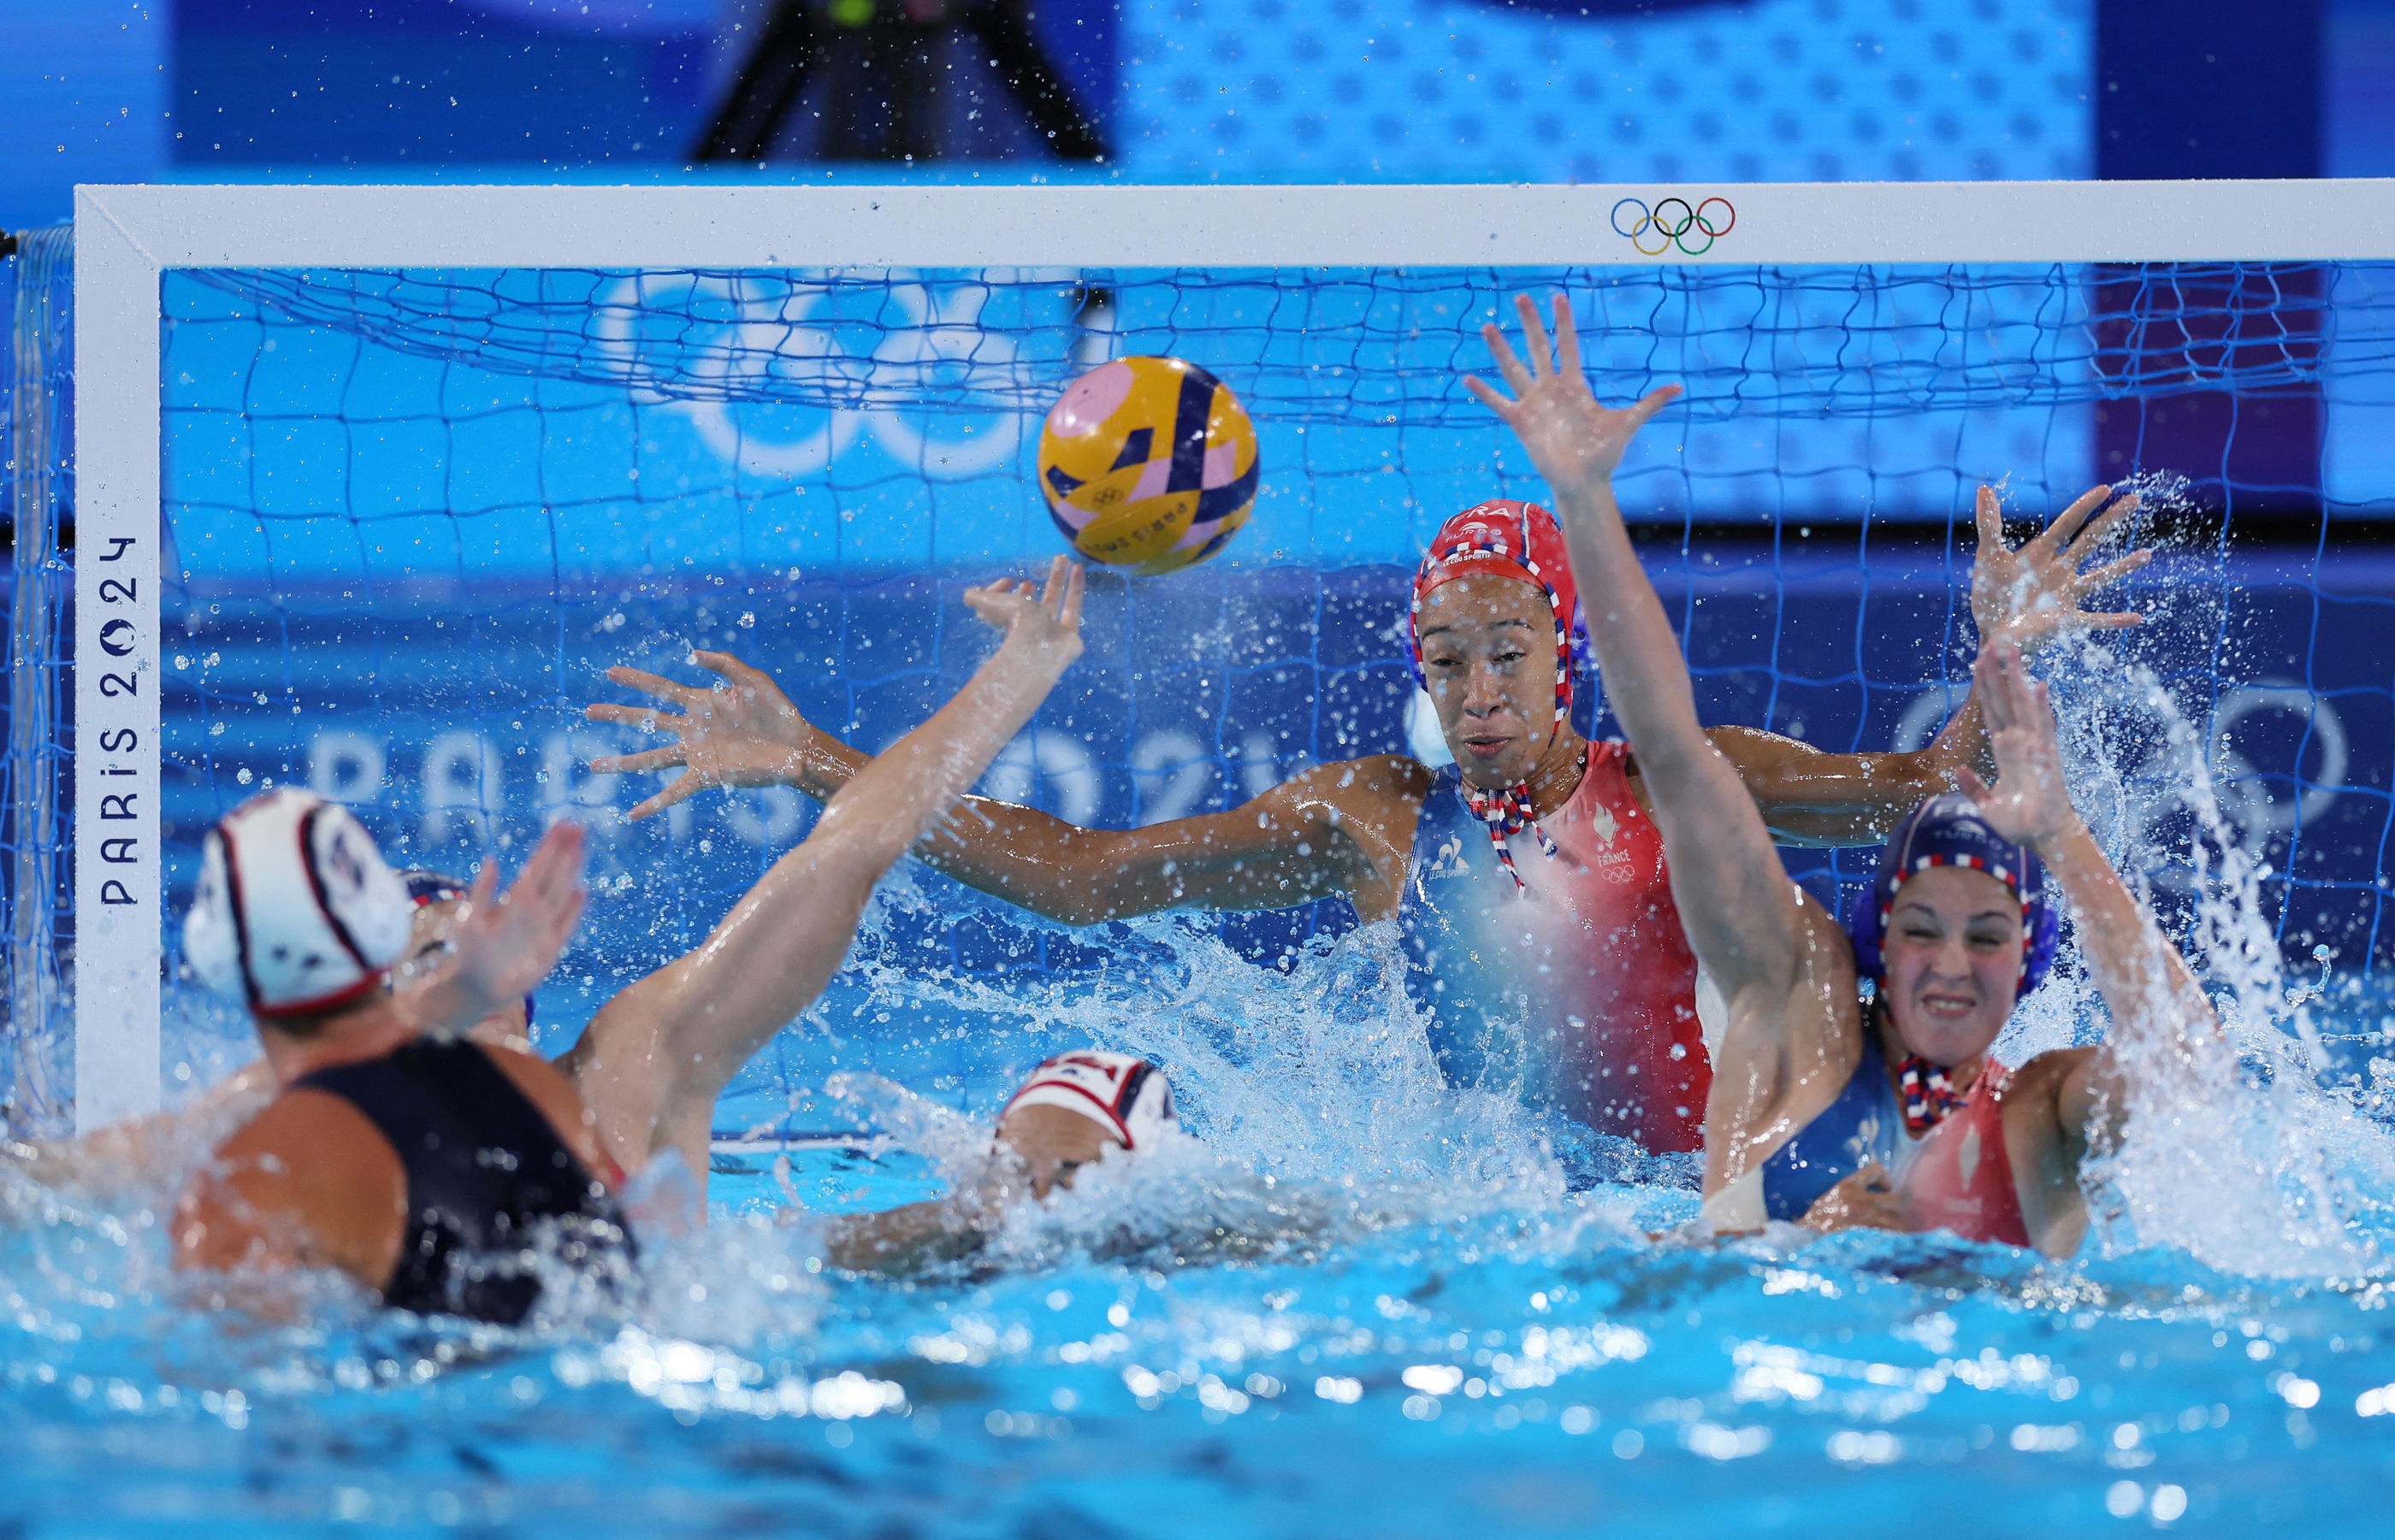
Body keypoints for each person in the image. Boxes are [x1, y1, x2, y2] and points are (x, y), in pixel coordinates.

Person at [583, 482, 2149, 1159]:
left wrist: (2001, 645)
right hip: (1520, 1206)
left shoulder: (1683, 779)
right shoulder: (1372, 823)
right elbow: (1078, 880)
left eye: (1508, 656)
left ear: (1568, 656)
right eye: (1447, 662)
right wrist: (814, 761)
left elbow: (1923, 787)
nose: (1476, 694)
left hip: (1738, 1196)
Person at [1468, 291, 2218, 1254]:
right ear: (1878, 938)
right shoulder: (1803, 1015)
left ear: (2028, 960)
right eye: (1922, 931)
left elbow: (2194, 1075)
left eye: (1986, 937)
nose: (1948, 967)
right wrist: (1584, 501)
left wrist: (2061, 836)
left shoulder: (2044, 1113)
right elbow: (1671, 748)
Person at [166, 560, 1093, 1319]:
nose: (465, 965)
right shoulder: (307, 1142)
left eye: (469, 943)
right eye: (426, 956)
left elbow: (849, 847)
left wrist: (1017, 673)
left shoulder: (629, 1064)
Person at [815, 1048, 1181, 1274]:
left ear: (1138, 1168)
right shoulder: (961, 1233)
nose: (1037, 1198)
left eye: (1069, 1173)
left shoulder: (1195, 1238)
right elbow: (802, 1253)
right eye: (1017, 1169)